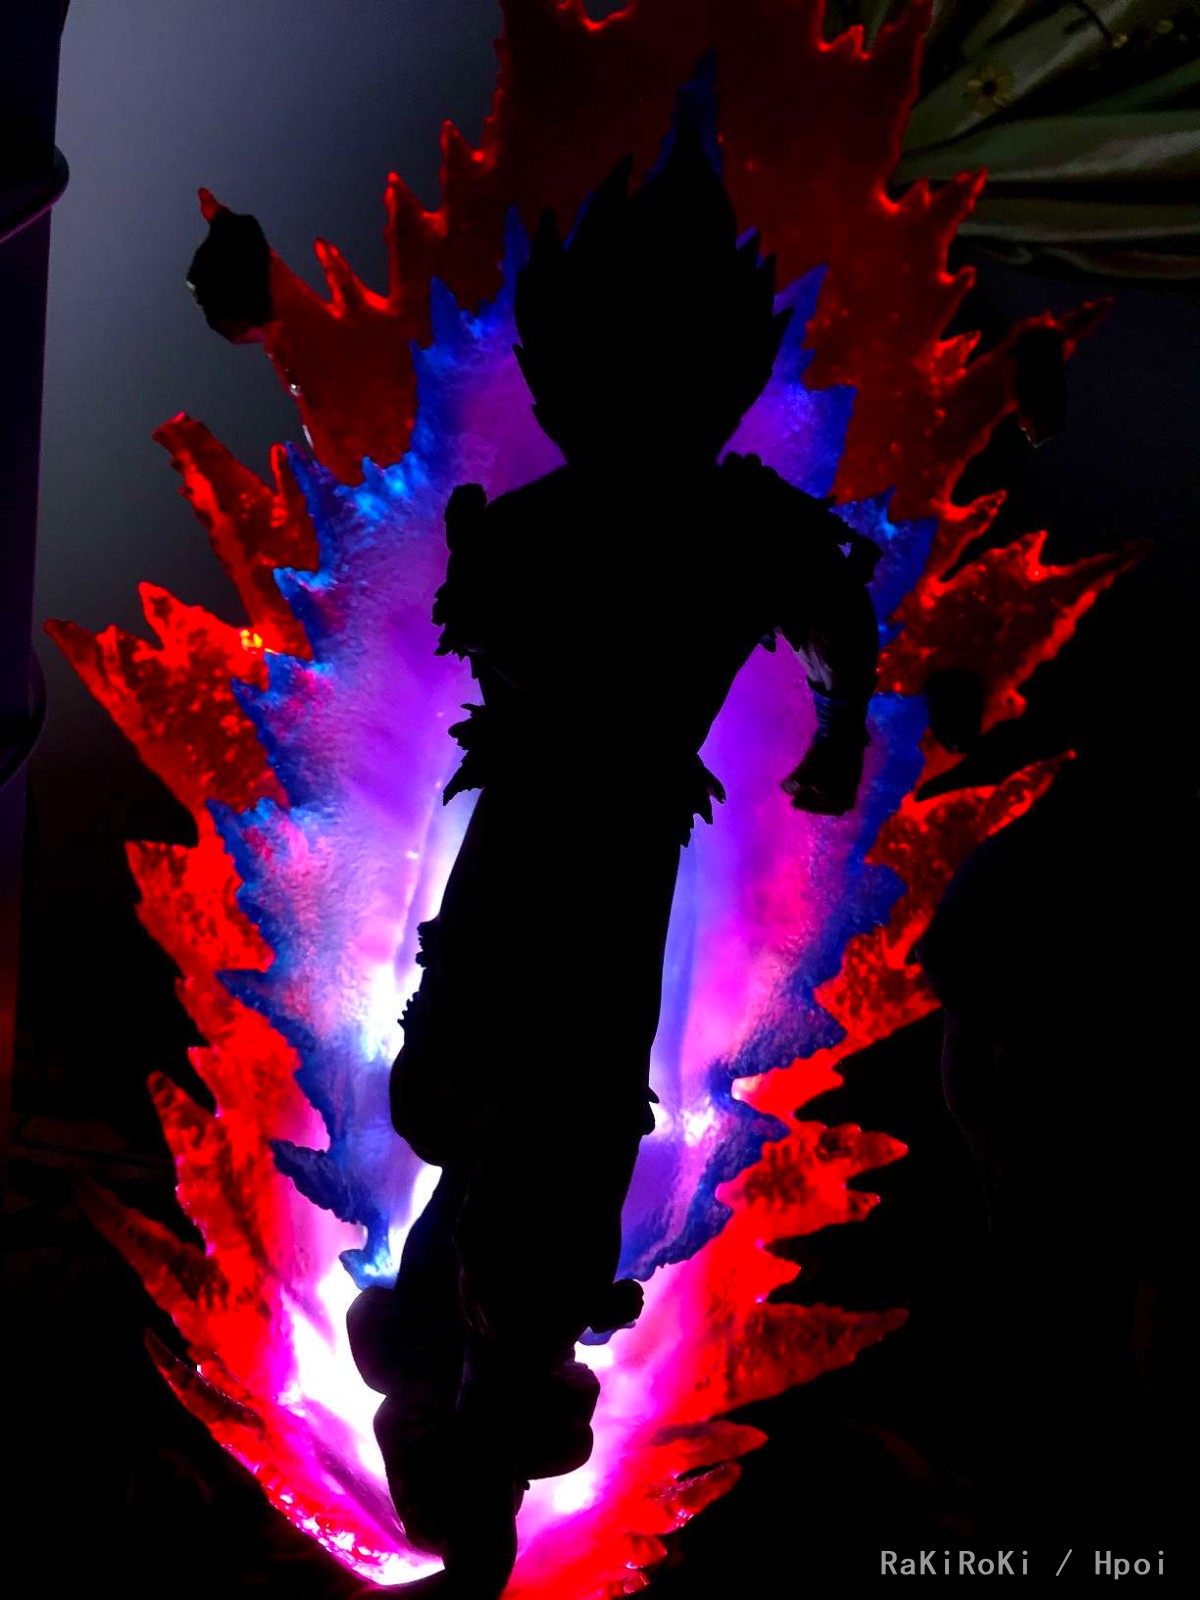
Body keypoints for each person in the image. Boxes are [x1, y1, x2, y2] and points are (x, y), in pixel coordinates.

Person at [348, 99, 882, 1594]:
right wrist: (832, 721)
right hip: (538, 844)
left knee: (553, 1126)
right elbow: (818, 621)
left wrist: (840, 728)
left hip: (598, 856)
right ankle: (457, 1344)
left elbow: (833, 619)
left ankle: (485, 1433)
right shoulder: (550, 526)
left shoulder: (716, 528)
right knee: (474, 1095)